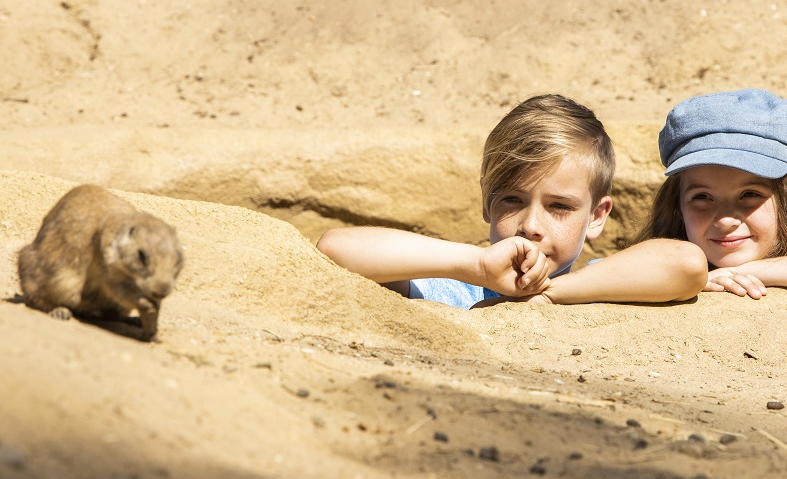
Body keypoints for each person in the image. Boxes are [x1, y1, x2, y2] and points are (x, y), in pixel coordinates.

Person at [316, 94, 707, 309]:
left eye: (559, 206)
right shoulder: (451, 289)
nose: (530, 226)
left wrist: (551, 293)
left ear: (597, 216)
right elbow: (335, 250)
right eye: (511, 199)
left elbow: (687, 264)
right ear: (486, 203)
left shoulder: (601, 283)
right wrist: (476, 266)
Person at [632, 87, 787, 300]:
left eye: (750, 194)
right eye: (702, 197)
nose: (725, 221)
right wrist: (689, 277)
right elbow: (598, 275)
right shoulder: (646, 264)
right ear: (677, 208)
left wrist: (743, 272)